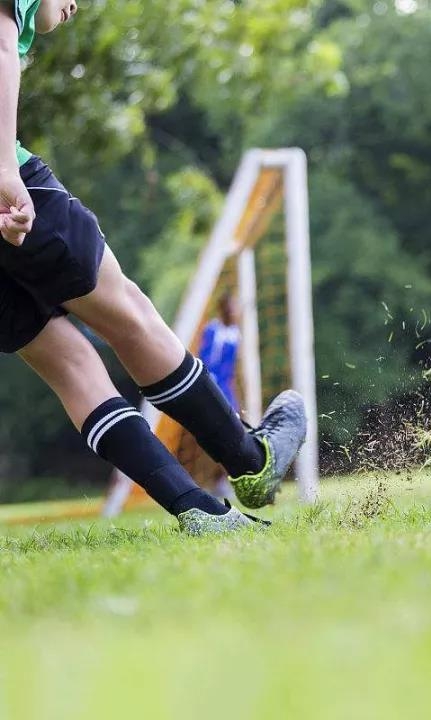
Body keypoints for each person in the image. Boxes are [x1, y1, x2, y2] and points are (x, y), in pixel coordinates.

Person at [0, 0, 307, 534]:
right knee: (129, 315)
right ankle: (250, 462)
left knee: (67, 363)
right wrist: (4, 169)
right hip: (13, 187)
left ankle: (198, 509)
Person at [199, 294, 243, 498]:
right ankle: (212, 482)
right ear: (224, 309)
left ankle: (224, 481)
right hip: (212, 388)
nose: (236, 312)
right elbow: (205, 359)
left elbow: (232, 367)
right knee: (213, 437)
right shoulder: (212, 330)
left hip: (227, 390)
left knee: (236, 433)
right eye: (232, 307)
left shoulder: (235, 333)